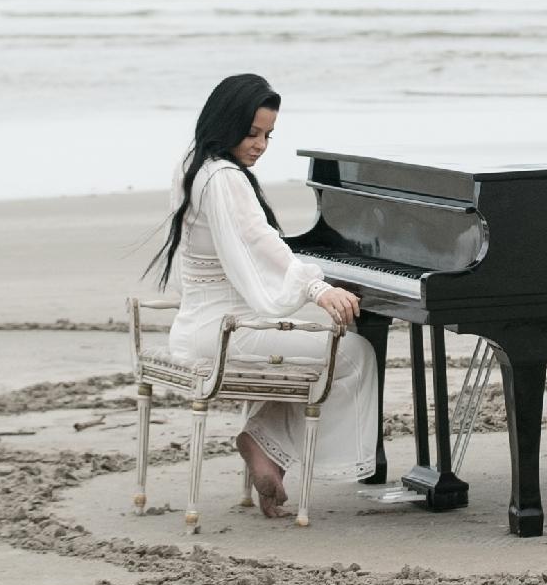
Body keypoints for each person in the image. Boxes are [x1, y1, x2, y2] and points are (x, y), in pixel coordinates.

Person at [147, 74, 379, 517]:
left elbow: (252, 250)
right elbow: (260, 245)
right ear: (226, 122)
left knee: (304, 353)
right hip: (229, 335)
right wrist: (318, 287)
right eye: (252, 133)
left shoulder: (192, 163)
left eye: (268, 135)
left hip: (198, 328)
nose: (260, 145)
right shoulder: (225, 179)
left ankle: (265, 443)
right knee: (352, 354)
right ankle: (262, 442)